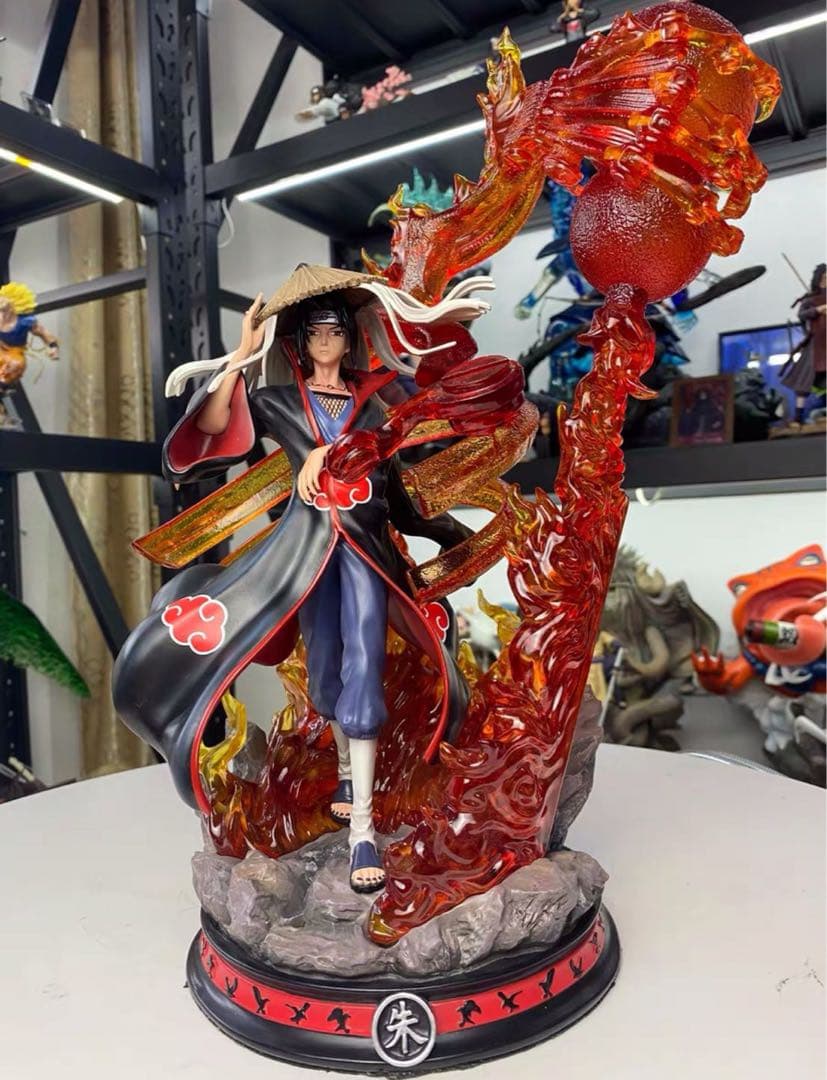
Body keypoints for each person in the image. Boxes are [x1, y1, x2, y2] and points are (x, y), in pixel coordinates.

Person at [113, 264, 521, 893]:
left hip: (365, 553)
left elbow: (395, 483)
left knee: (364, 666)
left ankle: (363, 832)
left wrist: (444, 532)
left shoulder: (375, 403)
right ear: (300, 343)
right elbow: (212, 430)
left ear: (350, 338)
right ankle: (349, 776)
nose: (327, 340)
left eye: (336, 330)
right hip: (304, 557)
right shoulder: (279, 403)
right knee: (326, 668)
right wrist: (242, 356)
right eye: (315, 331)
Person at [780, 262, 826, 425]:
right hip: (815, 346)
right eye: (824, 278)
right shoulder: (810, 299)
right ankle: (798, 417)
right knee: (804, 380)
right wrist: (818, 310)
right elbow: (802, 315)